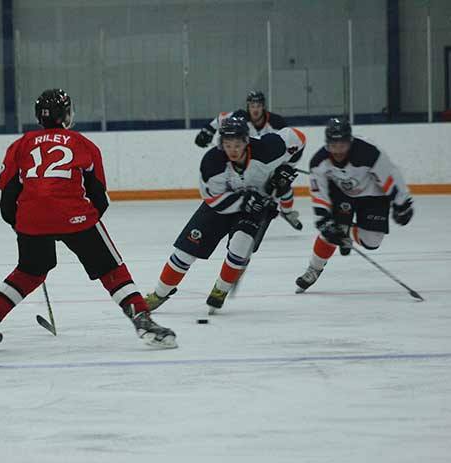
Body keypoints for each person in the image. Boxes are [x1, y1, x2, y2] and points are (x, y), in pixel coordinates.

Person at [0, 88, 177, 351]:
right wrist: (83, 226)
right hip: (73, 214)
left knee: (31, 270)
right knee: (110, 269)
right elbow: (99, 197)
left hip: (31, 218)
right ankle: (142, 319)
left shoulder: (20, 144)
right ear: (66, 115)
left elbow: (8, 198)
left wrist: (23, 224)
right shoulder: (82, 143)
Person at [144, 116, 306, 314]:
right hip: (221, 207)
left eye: (238, 144)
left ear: (246, 141)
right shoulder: (212, 163)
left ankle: (220, 290)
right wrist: (244, 201)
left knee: (240, 245)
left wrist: (287, 168)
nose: (233, 150)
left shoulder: (267, 148)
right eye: (228, 145)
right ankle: (159, 294)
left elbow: (298, 137)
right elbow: (212, 199)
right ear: (221, 144)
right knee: (185, 253)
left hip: (256, 207)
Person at [295, 118, 414, 292]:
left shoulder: (368, 153)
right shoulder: (318, 162)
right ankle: (314, 268)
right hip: (342, 193)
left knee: (372, 242)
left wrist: (401, 204)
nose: (338, 151)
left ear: (350, 142)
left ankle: (346, 230)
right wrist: (324, 220)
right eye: (333, 145)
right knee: (330, 231)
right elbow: (319, 194)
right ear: (327, 144)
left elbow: (390, 175)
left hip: (374, 194)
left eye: (342, 145)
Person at [193, 91, 301, 230]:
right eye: (252, 105)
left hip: (268, 159)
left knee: (283, 187)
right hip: (247, 160)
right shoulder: (238, 117)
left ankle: (287, 212)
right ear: (248, 106)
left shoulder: (276, 121)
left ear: (263, 107)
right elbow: (221, 118)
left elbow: (291, 142)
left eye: (258, 105)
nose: (255, 109)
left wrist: (288, 166)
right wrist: (207, 131)